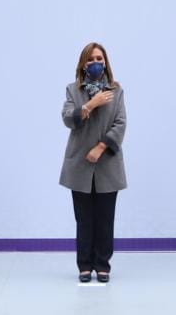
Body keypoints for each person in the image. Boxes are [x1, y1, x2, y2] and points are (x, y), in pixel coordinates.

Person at [60, 42, 127, 283]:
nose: (95, 63)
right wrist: (91, 104)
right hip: (80, 164)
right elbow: (68, 119)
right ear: (83, 64)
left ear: (106, 62)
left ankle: (102, 265)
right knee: (84, 219)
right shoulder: (72, 90)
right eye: (90, 59)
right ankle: (84, 265)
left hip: (107, 163)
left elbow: (120, 124)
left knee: (105, 218)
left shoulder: (117, 91)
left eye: (99, 58)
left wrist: (101, 147)